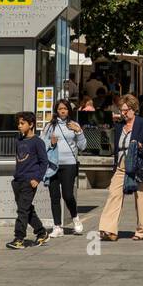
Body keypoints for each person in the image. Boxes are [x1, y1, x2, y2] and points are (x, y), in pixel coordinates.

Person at [98, 95, 143, 242]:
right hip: (121, 164)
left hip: (140, 165)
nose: (123, 113)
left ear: (133, 109)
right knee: (114, 194)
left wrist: (141, 146)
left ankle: (142, 231)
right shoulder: (119, 125)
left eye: (125, 110)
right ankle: (108, 229)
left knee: (142, 198)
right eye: (121, 110)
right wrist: (108, 122)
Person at [41, 98, 87, 236]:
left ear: (69, 110)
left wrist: (79, 132)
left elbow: (83, 146)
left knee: (67, 195)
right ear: (56, 110)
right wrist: (51, 142)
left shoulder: (74, 124)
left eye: (65, 109)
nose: (62, 111)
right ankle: (57, 227)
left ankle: (75, 218)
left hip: (69, 164)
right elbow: (42, 143)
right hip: (53, 164)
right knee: (54, 196)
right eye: (60, 109)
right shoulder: (50, 126)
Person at [7, 112, 50, 250]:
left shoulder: (38, 142)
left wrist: (37, 179)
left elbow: (44, 162)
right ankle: (41, 232)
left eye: (22, 123)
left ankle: (19, 238)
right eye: (18, 123)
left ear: (31, 124)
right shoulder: (19, 140)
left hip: (29, 181)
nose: (19, 126)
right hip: (18, 180)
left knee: (22, 211)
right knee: (26, 209)